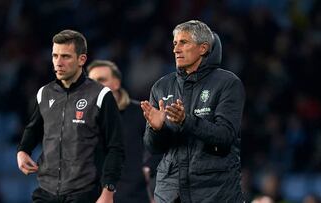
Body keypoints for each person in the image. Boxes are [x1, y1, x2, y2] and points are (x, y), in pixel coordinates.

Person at [141, 20, 245, 202]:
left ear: (203, 48)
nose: (176, 49)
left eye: (184, 42)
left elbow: (226, 135)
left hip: (214, 191)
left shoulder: (227, 83)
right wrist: (156, 129)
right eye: (174, 43)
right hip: (170, 191)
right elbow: (153, 147)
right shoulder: (162, 86)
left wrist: (185, 121)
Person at [16, 29, 124, 203]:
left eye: (65, 56)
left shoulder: (101, 95)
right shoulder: (44, 93)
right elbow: (33, 128)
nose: (58, 62)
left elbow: (116, 147)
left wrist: (108, 190)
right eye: (55, 56)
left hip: (83, 193)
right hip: (45, 192)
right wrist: (23, 150)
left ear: (82, 59)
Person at [87, 60, 160, 203]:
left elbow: (160, 147)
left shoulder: (141, 113)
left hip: (136, 195)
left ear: (116, 83)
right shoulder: (84, 119)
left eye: (101, 80)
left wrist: (149, 172)